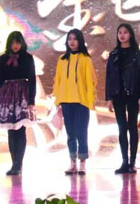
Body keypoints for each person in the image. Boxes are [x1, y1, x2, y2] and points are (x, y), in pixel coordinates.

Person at [53, 28, 97, 175]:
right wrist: (57, 101)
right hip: (66, 101)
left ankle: (82, 162)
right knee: (70, 133)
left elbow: (90, 81)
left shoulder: (85, 59)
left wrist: (90, 101)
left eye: (75, 39)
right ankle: (72, 163)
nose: (72, 42)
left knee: (81, 132)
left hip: (81, 102)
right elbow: (58, 81)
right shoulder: (62, 60)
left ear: (80, 41)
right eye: (69, 39)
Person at [0, 31, 37, 176]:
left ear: (22, 43)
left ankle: (18, 165)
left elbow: (32, 79)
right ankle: (14, 164)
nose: (15, 46)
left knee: (21, 130)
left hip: (22, 95)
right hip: (7, 95)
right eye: (12, 43)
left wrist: (31, 101)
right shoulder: (3, 58)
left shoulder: (28, 58)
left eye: (17, 42)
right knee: (11, 131)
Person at [106, 23, 140, 174]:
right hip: (118, 95)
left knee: (132, 128)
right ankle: (124, 162)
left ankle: (132, 162)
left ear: (130, 34)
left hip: (133, 94)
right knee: (122, 129)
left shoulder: (137, 54)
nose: (122, 35)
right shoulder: (113, 54)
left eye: (125, 32)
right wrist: (109, 98)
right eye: (120, 33)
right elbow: (109, 77)